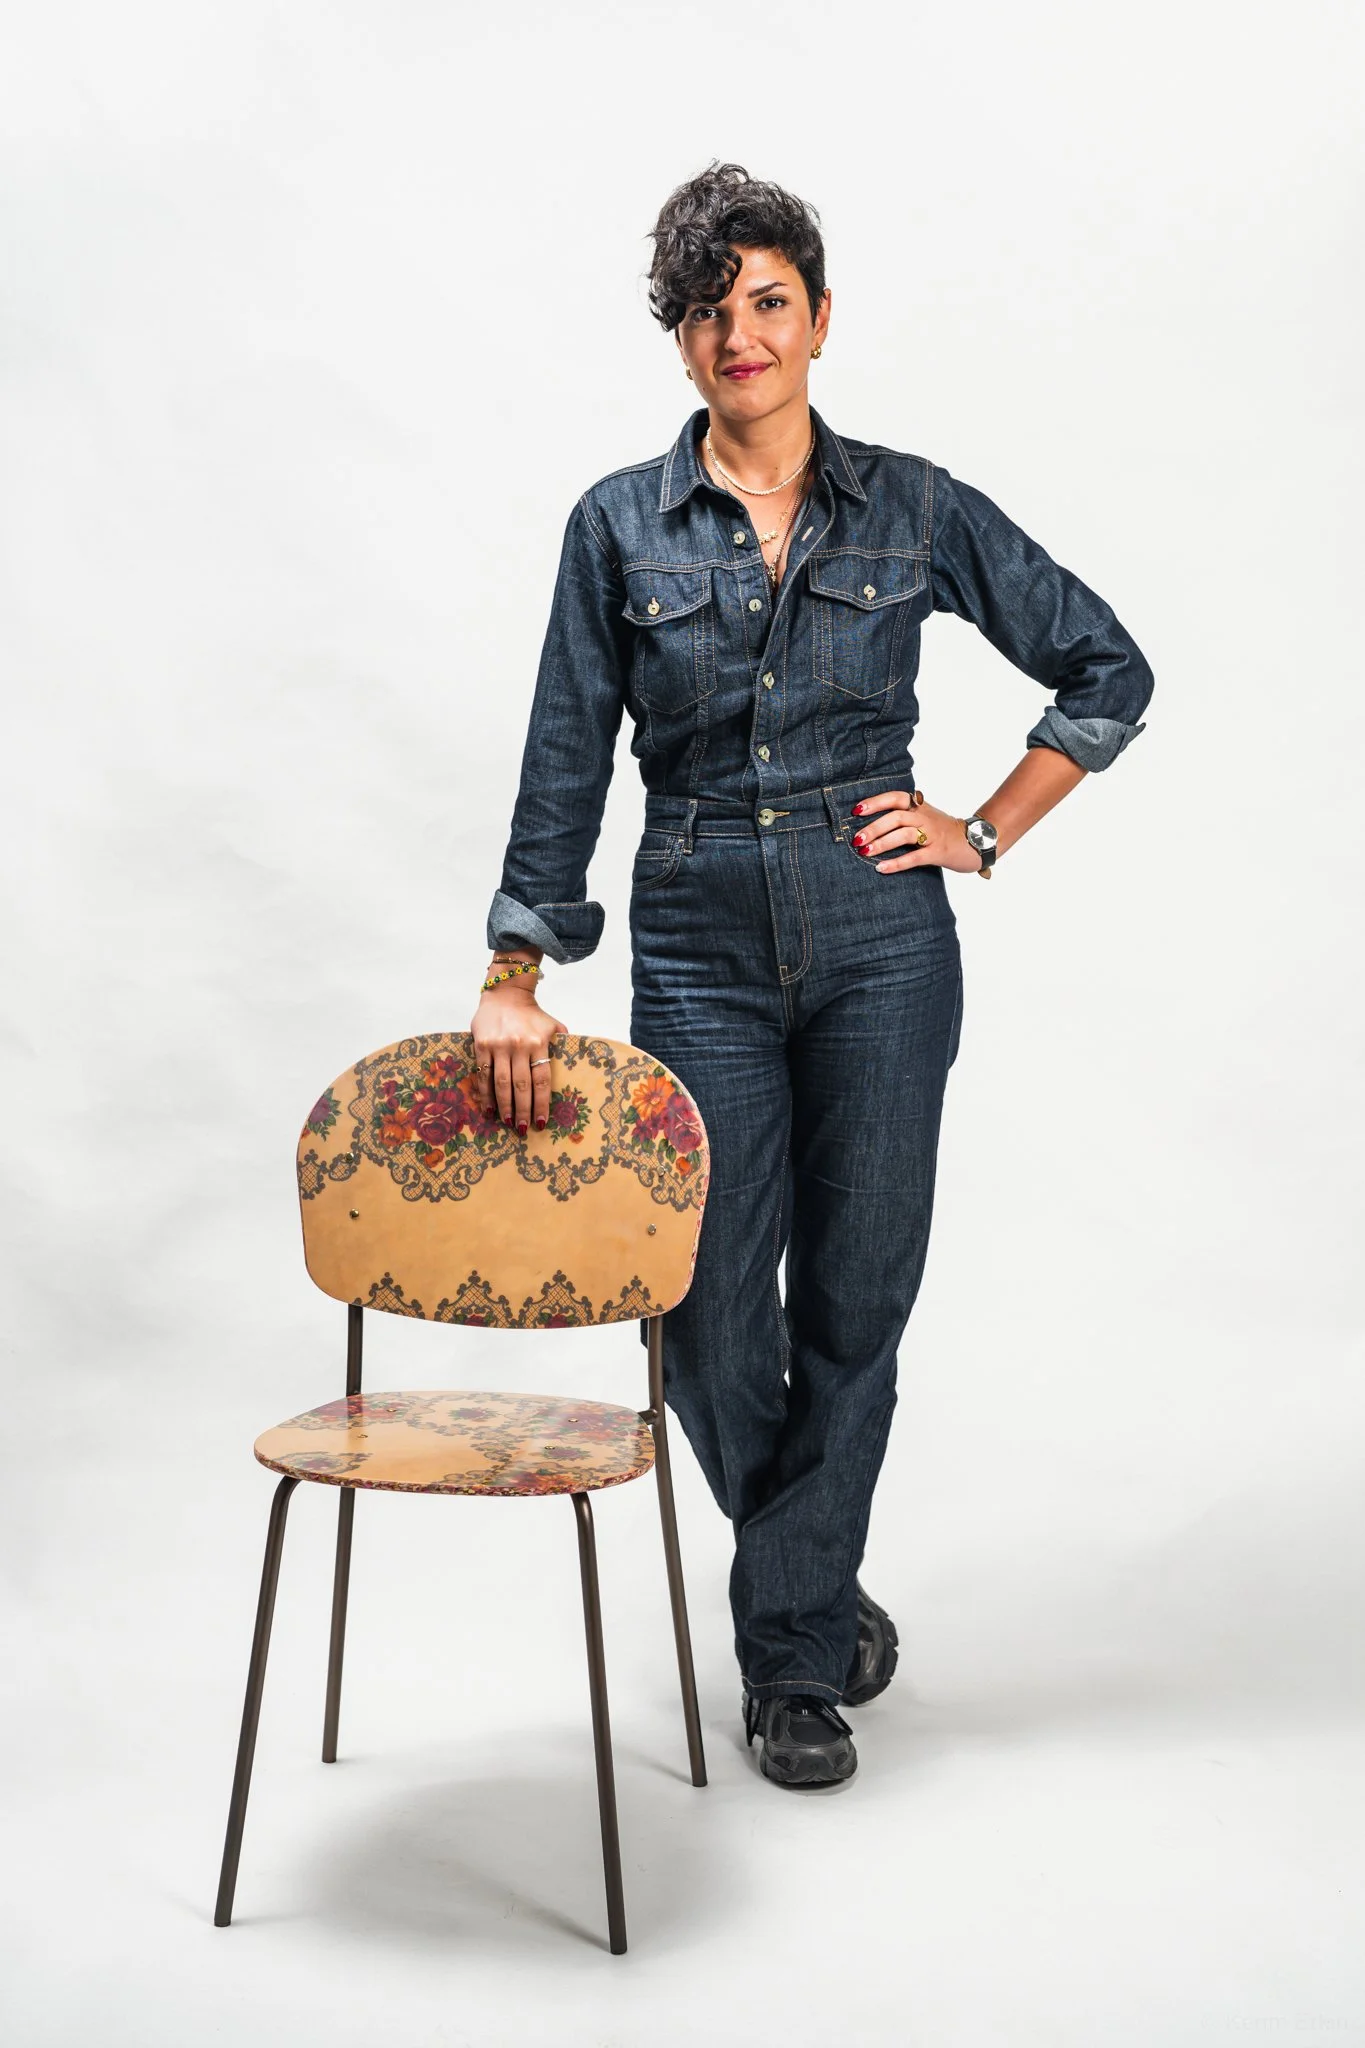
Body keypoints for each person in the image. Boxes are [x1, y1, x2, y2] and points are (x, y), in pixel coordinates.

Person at [470, 162, 1153, 1789]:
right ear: (682, 342)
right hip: (697, 932)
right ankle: (819, 1590)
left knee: (857, 1297)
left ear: (821, 321)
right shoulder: (618, 526)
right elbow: (569, 755)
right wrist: (514, 964)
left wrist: (981, 830)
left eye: (769, 300)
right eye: (709, 310)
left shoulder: (910, 508)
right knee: (702, 1308)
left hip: (880, 944)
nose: (741, 333)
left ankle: (788, 1668)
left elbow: (1109, 666)